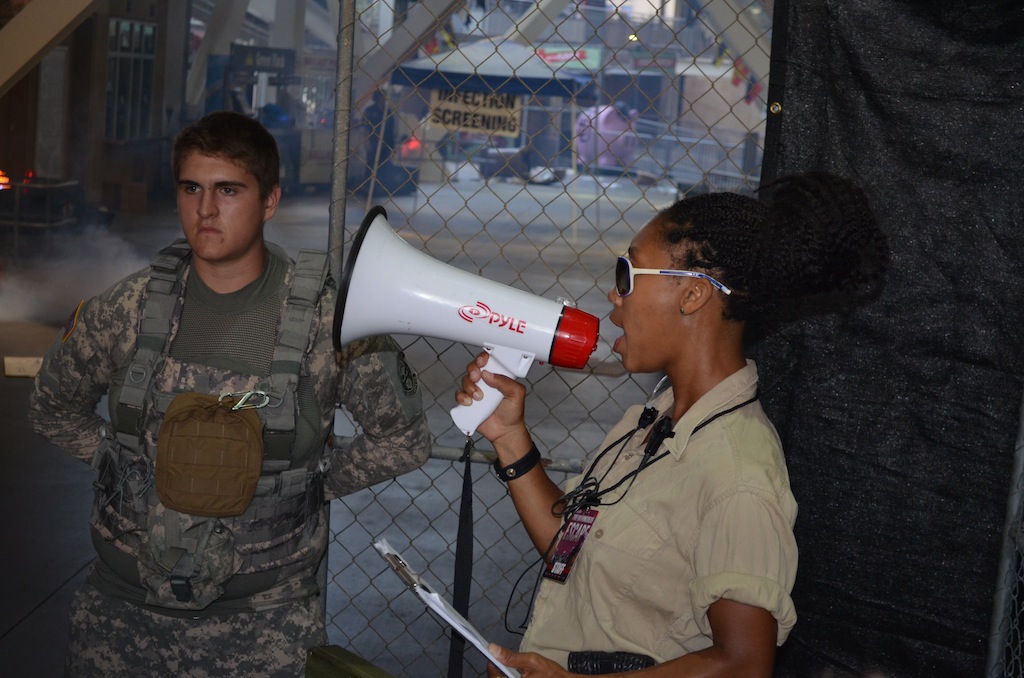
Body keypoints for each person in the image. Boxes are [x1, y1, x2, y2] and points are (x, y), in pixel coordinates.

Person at [28, 110, 432, 676]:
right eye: (191, 188)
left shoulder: (327, 323)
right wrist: (123, 468)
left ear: (269, 201)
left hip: (264, 627)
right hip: (120, 619)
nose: (206, 209)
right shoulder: (128, 308)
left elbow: (405, 438)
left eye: (228, 190)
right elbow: (50, 406)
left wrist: (307, 485)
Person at [455, 172, 888, 676]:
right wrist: (511, 439)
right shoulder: (653, 421)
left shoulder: (738, 475)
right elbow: (571, 547)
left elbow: (745, 664)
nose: (615, 296)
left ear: (692, 296)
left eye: (628, 273)